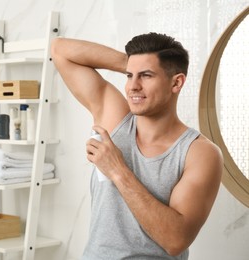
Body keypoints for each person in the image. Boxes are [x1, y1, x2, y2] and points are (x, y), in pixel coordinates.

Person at [50, 33, 223, 259]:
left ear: (176, 82)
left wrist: (117, 171)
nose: (133, 86)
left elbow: (175, 240)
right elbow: (60, 49)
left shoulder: (198, 153)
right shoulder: (115, 119)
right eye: (130, 75)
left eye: (146, 75)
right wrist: (131, 62)